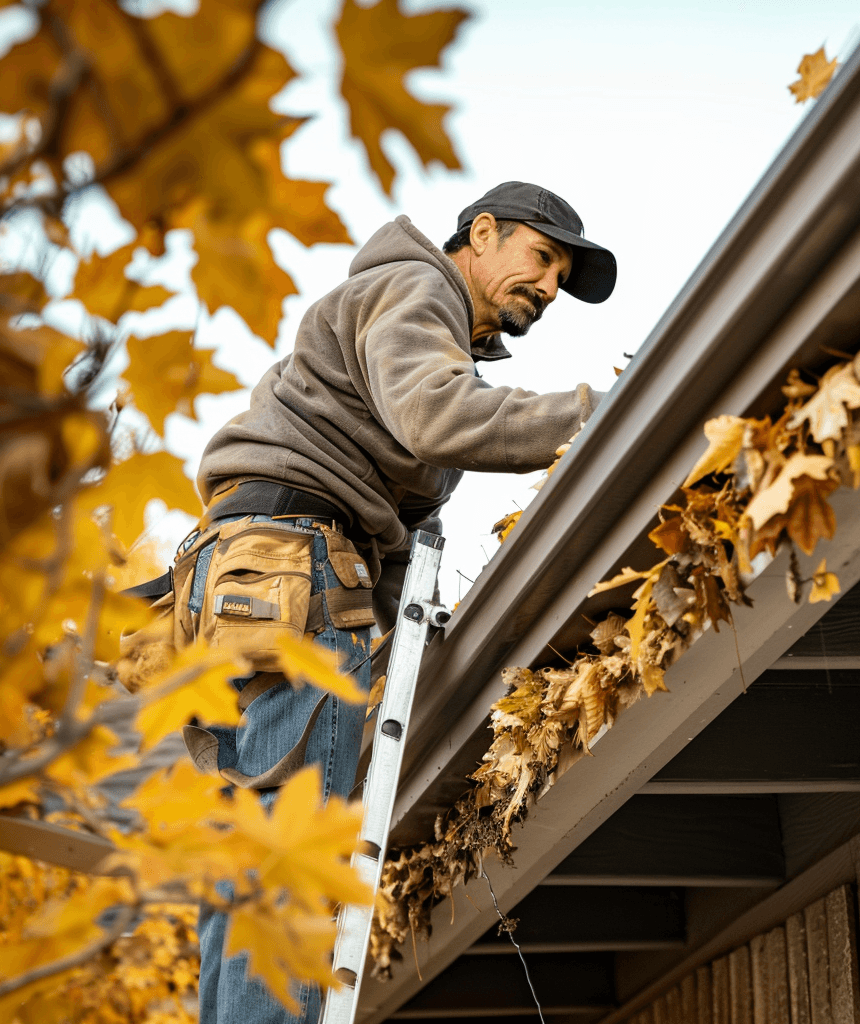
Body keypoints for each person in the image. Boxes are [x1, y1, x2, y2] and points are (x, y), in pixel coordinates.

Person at [182, 181, 616, 1023]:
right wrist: (595, 417)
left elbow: (398, 544)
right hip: (298, 568)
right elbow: (439, 417)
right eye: (542, 256)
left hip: (258, 575)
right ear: (480, 234)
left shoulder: (422, 330)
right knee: (297, 856)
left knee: (254, 858)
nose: (551, 285)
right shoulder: (416, 290)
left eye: (563, 274)